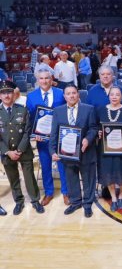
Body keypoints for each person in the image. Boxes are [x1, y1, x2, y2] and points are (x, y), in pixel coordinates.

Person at [49, 84, 97, 217]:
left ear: (78, 94)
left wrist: (87, 139)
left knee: (88, 179)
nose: (71, 95)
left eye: (74, 93)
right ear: (64, 96)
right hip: (67, 153)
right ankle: (75, 202)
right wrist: (52, 151)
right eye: (68, 93)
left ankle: (88, 204)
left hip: (86, 151)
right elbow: (54, 133)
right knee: (71, 179)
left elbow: (94, 128)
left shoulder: (89, 109)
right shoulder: (58, 111)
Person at [0, 81, 44, 216]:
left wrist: (19, 150)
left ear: (14, 94)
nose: (6, 95)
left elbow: (27, 131)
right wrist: (8, 151)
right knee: (13, 178)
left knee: (29, 176)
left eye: (9, 92)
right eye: (3, 93)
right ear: (0, 96)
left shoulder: (22, 109)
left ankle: (35, 200)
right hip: (6, 152)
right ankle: (19, 201)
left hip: (23, 150)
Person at [26, 69, 68, 206]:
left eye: (47, 78)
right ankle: (49, 193)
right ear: (38, 80)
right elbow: (31, 118)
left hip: (60, 137)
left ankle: (66, 192)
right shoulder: (31, 96)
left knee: (63, 165)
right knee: (45, 166)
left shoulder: (61, 93)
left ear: (51, 79)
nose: (44, 81)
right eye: (41, 78)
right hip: (42, 138)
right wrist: (34, 134)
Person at [96, 86, 122, 211]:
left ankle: (120, 196)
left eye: (117, 95)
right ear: (109, 96)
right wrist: (98, 132)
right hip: (106, 149)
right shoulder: (101, 110)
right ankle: (113, 198)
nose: (114, 97)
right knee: (108, 172)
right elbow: (96, 126)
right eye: (112, 94)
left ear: (121, 97)